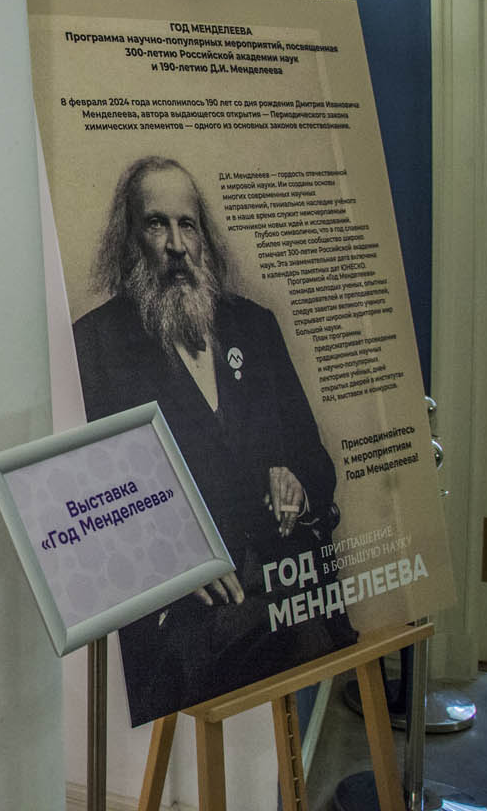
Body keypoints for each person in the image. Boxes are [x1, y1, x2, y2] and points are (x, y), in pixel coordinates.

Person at [72, 155, 354, 723]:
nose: (177, 245)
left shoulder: (255, 326)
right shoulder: (96, 345)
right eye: (157, 224)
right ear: (130, 239)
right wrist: (176, 559)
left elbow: (316, 461)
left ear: (204, 237)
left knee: (310, 640)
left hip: (284, 585)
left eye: (188, 224)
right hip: (186, 616)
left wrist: (295, 479)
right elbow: (96, 501)